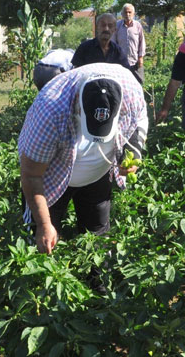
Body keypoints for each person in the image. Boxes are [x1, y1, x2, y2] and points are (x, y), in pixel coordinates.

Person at [18, 63, 148, 255]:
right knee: (42, 244)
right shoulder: (50, 110)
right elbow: (31, 175)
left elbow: (140, 120)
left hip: (99, 173)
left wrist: (133, 151)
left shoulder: (130, 91)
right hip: (51, 177)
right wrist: (43, 224)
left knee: (98, 240)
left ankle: (98, 283)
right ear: (78, 102)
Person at [112, 3, 146, 84]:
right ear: (122, 14)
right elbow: (113, 43)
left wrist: (141, 57)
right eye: (125, 12)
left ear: (133, 14)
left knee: (138, 83)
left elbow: (142, 42)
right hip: (121, 63)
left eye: (130, 12)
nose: (127, 14)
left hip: (135, 62)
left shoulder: (138, 26)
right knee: (121, 84)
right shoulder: (117, 26)